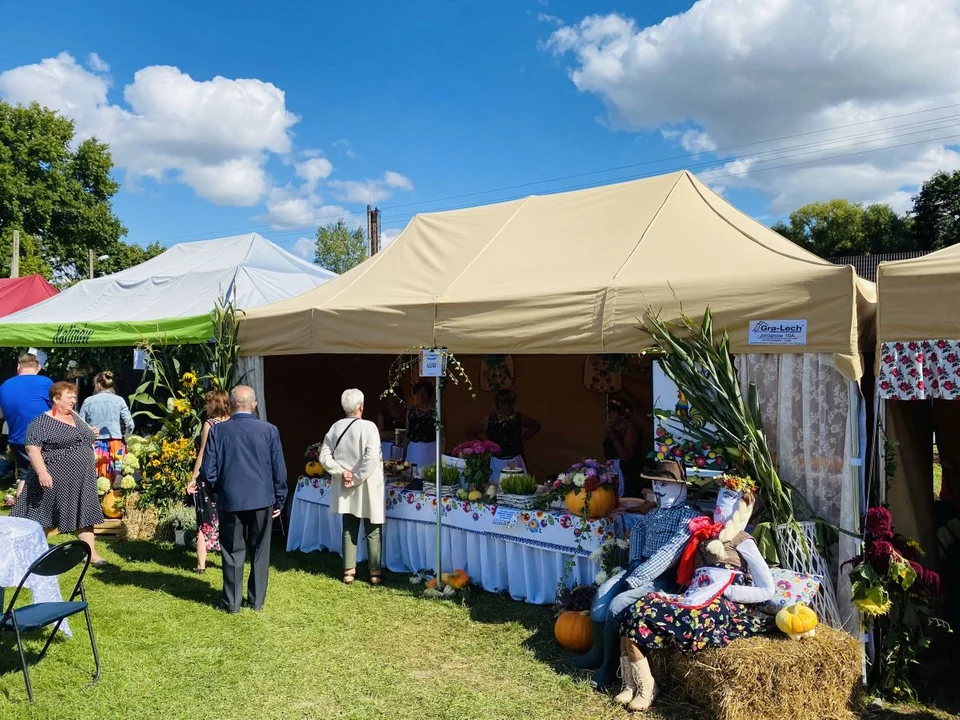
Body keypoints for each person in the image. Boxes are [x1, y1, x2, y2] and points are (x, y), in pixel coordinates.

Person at [615, 477, 774, 712]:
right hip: (695, 596)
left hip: (720, 603)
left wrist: (728, 591)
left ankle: (647, 690)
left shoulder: (743, 541)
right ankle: (634, 684)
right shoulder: (705, 534)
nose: (721, 505)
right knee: (635, 609)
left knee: (644, 611)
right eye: (720, 498)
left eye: (728, 499)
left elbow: (767, 589)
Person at [569, 460, 702, 691]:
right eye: (655, 483)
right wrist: (634, 563)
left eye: (664, 484)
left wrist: (637, 577)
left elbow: (669, 554)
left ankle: (610, 667)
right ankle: (597, 653)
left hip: (663, 577)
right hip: (639, 566)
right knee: (602, 594)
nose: (658, 489)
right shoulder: (656, 513)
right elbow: (639, 529)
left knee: (618, 603)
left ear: (682, 488)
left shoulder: (688, 518)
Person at [196, 386, 286, 613]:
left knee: (232, 551)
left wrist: (219, 490)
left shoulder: (218, 431)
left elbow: (208, 470)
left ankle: (232, 602)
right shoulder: (269, 430)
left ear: (233, 405)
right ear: (253, 405)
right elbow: (279, 468)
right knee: (259, 551)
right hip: (261, 499)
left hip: (231, 499)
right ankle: (256, 601)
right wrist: (280, 498)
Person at [11, 381, 107, 566]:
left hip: (80, 480)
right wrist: (42, 473)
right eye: (69, 396)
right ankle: (29, 552)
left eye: (74, 396)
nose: (74, 399)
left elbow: (82, 438)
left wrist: (91, 433)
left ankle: (91, 554)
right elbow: (32, 448)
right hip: (53, 480)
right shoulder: (41, 422)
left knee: (84, 514)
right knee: (44, 517)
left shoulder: (76, 416)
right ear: (56, 399)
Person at [320, 389, 385, 585]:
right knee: (372, 527)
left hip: (346, 484)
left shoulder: (335, 427)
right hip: (367, 484)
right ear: (361, 406)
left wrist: (341, 472)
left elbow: (324, 456)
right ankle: (375, 572)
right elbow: (371, 457)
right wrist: (355, 477)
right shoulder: (369, 427)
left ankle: (349, 570)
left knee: (349, 526)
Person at [187, 389, 230, 574]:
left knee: (204, 520)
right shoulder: (233, 423)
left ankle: (201, 565)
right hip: (228, 477)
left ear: (216, 404)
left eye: (208, 403)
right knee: (228, 520)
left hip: (209, 477)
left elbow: (203, 452)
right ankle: (228, 561)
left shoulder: (210, 424)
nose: (206, 406)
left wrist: (194, 477)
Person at [0, 353, 54, 498]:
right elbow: (57, 409)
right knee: (48, 474)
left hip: (17, 438)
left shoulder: (5, 385)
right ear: (38, 368)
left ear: (19, 367)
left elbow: (1, 414)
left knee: (24, 476)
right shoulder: (45, 382)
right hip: (42, 439)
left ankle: (20, 515)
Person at [465, 389, 541, 477]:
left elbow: (536, 426)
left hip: (515, 458)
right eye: (504, 403)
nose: (508, 406)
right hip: (495, 460)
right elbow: (469, 432)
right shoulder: (489, 420)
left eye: (511, 403)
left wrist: (523, 438)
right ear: (499, 404)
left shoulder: (519, 418)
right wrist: (484, 446)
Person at [79, 370, 135, 490]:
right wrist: (126, 437)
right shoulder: (119, 400)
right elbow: (130, 424)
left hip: (95, 444)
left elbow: (80, 424)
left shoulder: (88, 401)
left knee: (96, 480)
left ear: (98, 384)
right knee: (118, 479)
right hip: (116, 444)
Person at [603, 396, 643, 497]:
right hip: (613, 471)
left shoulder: (630, 429)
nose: (610, 415)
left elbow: (627, 457)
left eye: (614, 412)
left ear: (622, 415)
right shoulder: (615, 429)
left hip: (626, 475)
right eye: (609, 412)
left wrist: (612, 436)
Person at [405, 380, 438, 471]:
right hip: (413, 449)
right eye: (419, 392)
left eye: (424, 392)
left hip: (430, 449)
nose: (421, 395)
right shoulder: (410, 411)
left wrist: (441, 457)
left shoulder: (435, 413)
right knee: (411, 475)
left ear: (429, 394)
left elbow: (443, 437)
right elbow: (407, 433)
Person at [376, 392, 406, 460]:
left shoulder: (405, 413)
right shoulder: (383, 415)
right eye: (390, 397)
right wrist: (397, 434)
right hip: (387, 447)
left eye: (395, 397)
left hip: (402, 446)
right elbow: (380, 434)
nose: (393, 400)